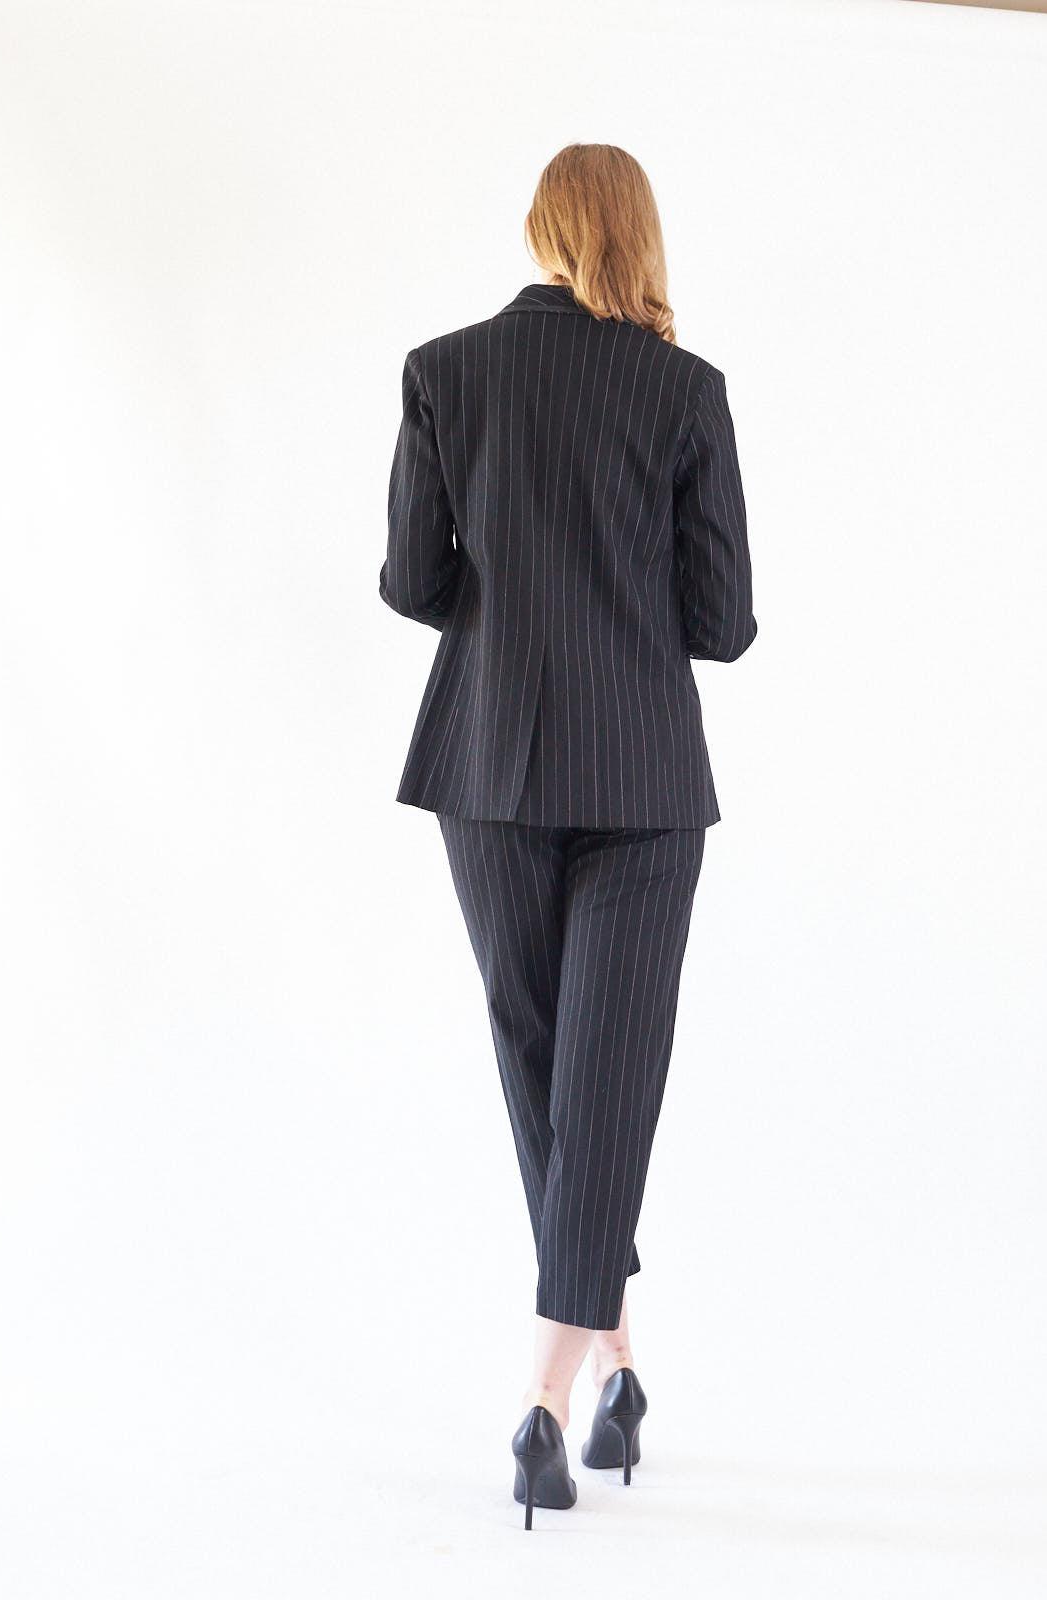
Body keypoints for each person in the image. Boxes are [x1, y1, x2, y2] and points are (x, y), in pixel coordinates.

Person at [379, 142, 756, 1529]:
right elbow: (723, 622)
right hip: (644, 777)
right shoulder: (685, 390)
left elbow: (412, 581)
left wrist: (516, 595)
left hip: (490, 764)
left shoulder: (445, 371)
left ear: (540, 228)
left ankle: (583, 1384)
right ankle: (578, 1384)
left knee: (546, 1068)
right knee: (606, 1082)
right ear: (639, 236)